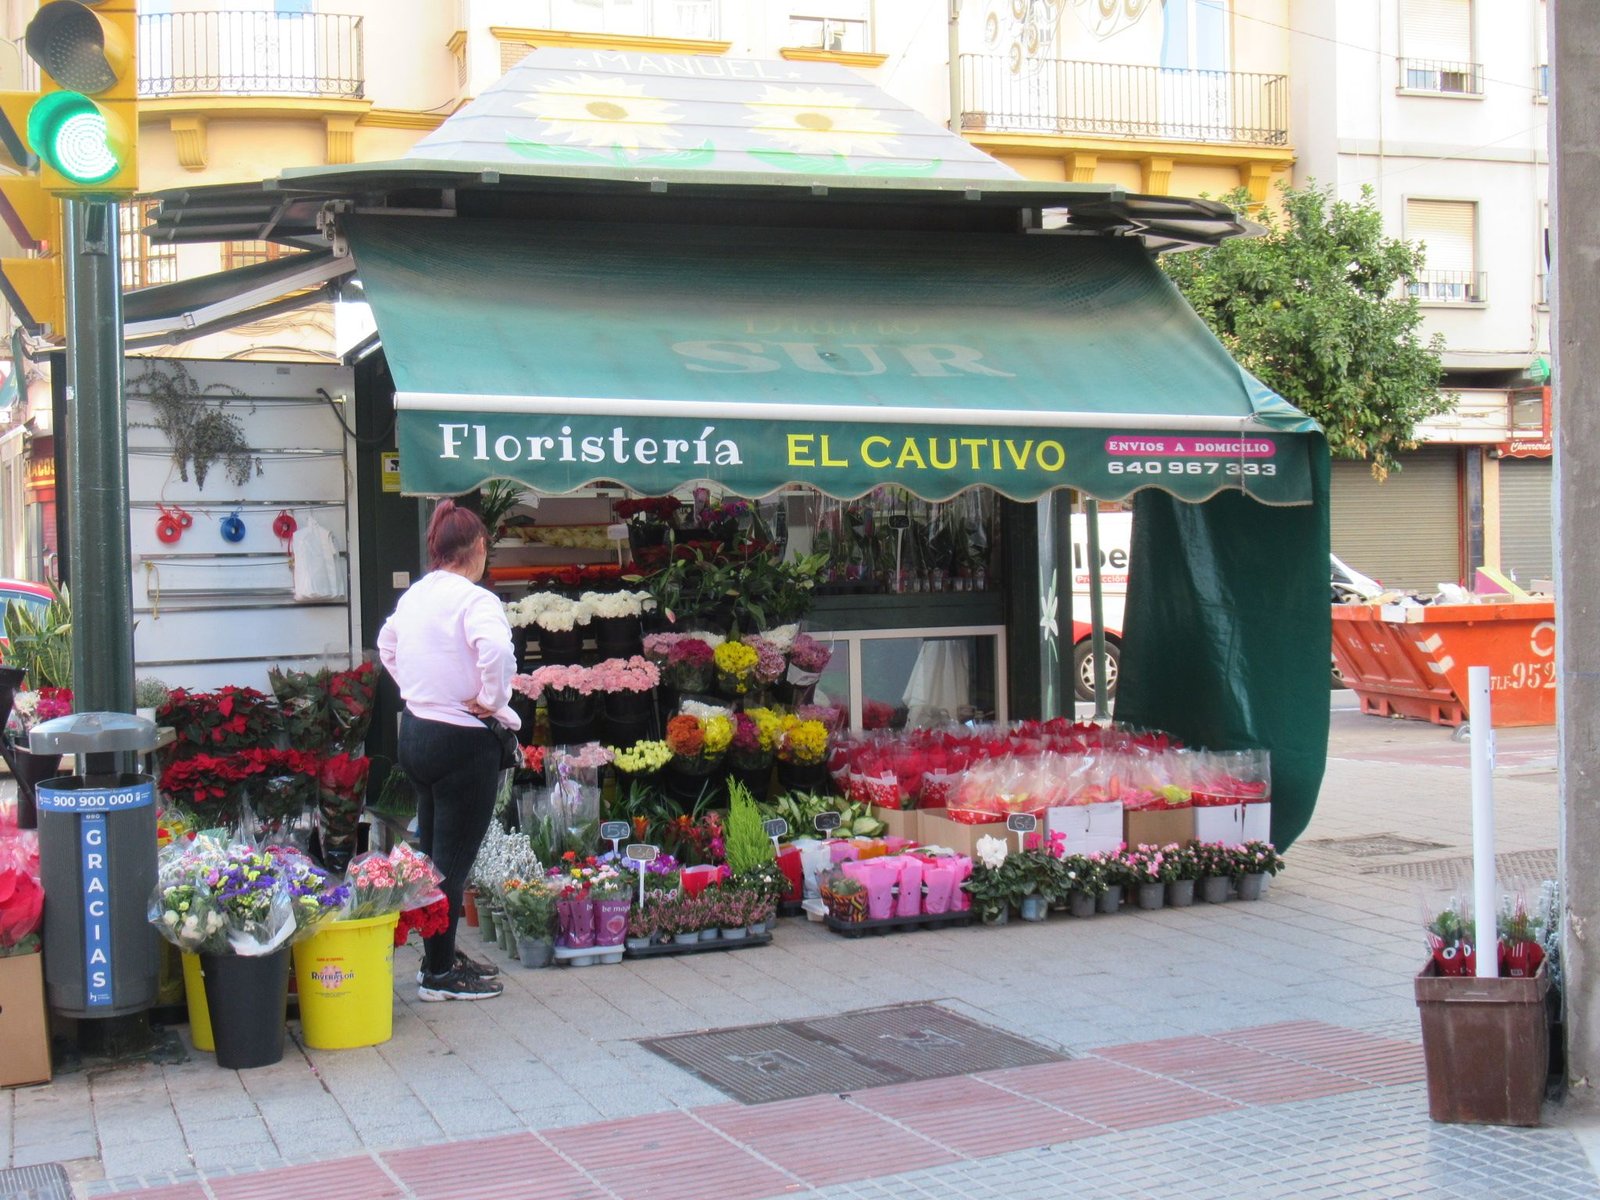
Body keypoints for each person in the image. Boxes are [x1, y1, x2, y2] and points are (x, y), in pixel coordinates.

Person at [377, 500, 517, 1001]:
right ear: (477, 547)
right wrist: (492, 699)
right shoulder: (475, 599)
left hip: (416, 733)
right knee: (452, 863)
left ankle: (437, 958)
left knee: (433, 855)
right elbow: (498, 652)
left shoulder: (415, 595)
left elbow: (385, 644)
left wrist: (419, 688)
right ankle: (439, 975)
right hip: (462, 740)